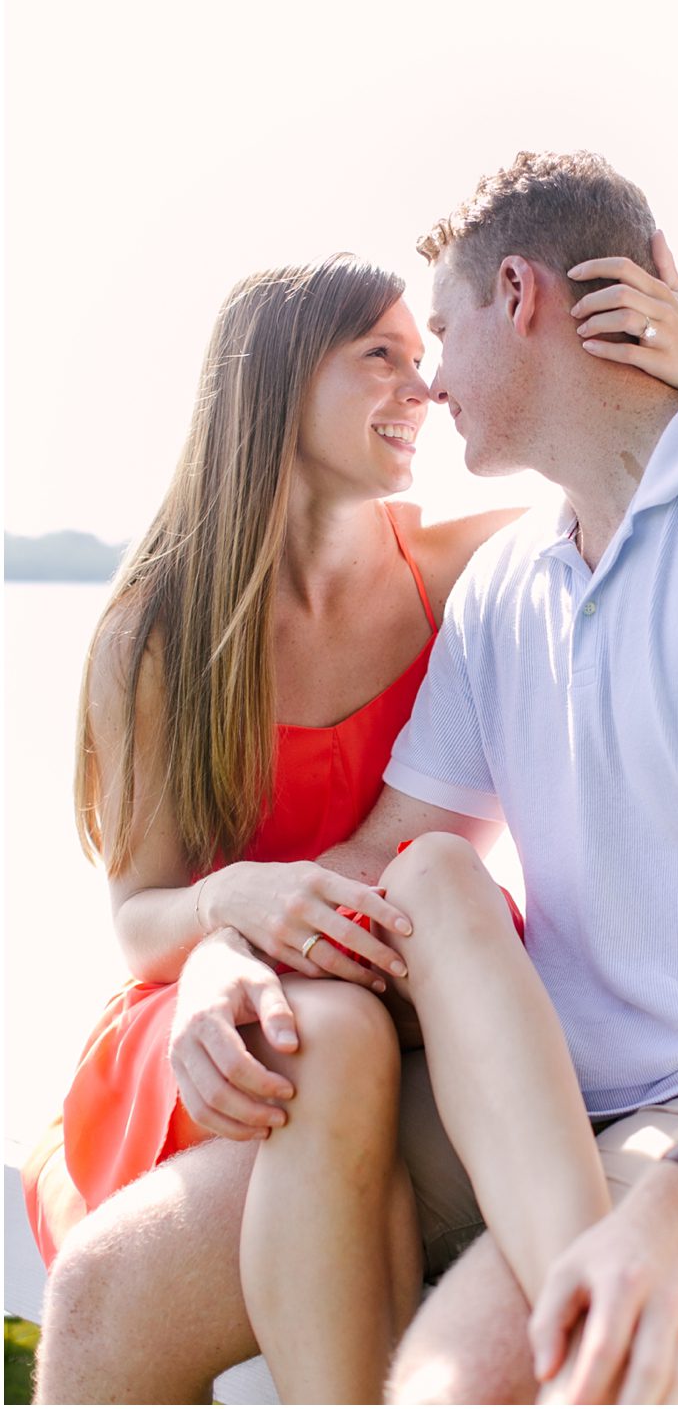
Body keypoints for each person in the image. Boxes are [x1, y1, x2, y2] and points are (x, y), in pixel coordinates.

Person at [150, 151, 678, 1405]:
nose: (428, 379)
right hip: (567, 1103)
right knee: (118, 1284)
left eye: (440, 330)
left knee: (455, 1381)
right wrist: (221, 946)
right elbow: (388, 859)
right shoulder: (503, 588)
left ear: (522, 297)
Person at [25, 253, 640, 1402]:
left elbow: (660, 481)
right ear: (273, 383)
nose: (425, 389)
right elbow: (137, 919)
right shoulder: (156, 634)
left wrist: (677, 353)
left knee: (351, 1028)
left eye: (424, 359)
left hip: (414, 989)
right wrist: (229, 907)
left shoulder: (468, 569)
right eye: (381, 358)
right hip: (215, 1008)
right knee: (329, 1038)